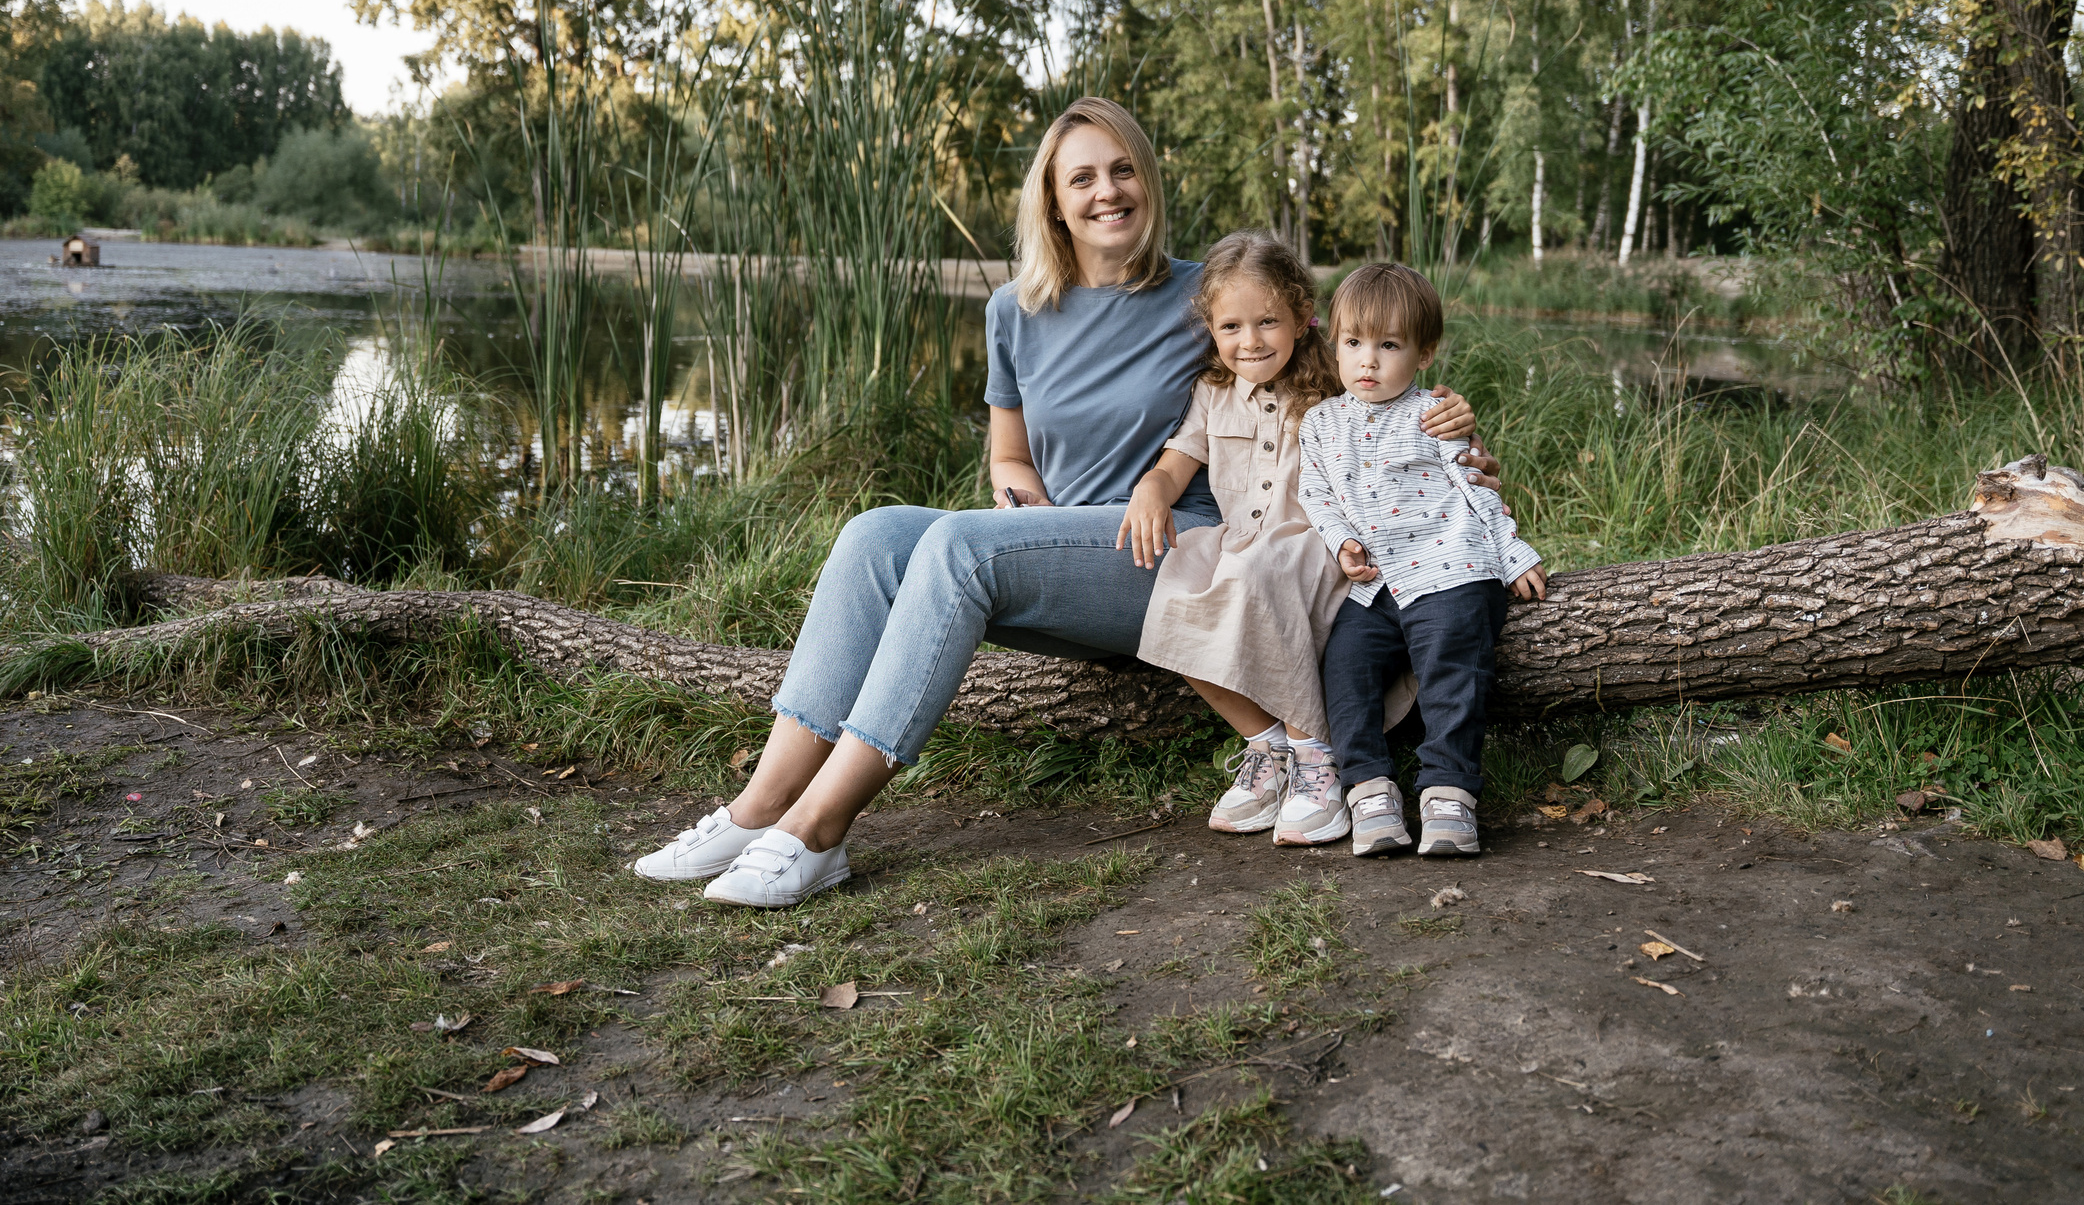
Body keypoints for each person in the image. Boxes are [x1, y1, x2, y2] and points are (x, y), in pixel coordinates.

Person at [629, 98, 1486, 908]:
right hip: (1059, 547)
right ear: (1053, 197)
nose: (1106, 190)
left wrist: (1449, 426)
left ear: (1148, 181)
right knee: (874, 534)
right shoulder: (1014, 309)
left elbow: (1350, 351)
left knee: (962, 550)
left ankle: (819, 830)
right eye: (1082, 176)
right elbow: (1008, 453)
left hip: (1176, 552)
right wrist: (1017, 498)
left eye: (1123, 170)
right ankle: (756, 809)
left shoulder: (1208, 297)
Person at [1117, 231, 1417, 847]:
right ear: (1211, 328)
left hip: (1320, 541)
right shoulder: (1213, 392)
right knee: (1175, 586)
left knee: (1260, 574)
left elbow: (1401, 409)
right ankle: (1267, 746)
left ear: (1303, 318)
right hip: (1243, 539)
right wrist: (1152, 486)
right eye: (1231, 327)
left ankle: (1318, 762)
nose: (1249, 342)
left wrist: (1453, 422)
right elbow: (1180, 458)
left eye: (1267, 322)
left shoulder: (1336, 383)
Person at [1300, 261, 1547, 859]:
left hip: (1450, 569)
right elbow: (1317, 493)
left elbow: (1474, 491)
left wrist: (1512, 554)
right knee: (1346, 663)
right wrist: (1340, 542)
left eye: (1389, 346)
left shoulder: (1432, 417)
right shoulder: (1321, 423)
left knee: (1453, 665)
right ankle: (1369, 788)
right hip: (1376, 582)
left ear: (1424, 353)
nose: (1368, 362)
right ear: (1335, 344)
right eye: (1354, 344)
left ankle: (1448, 789)